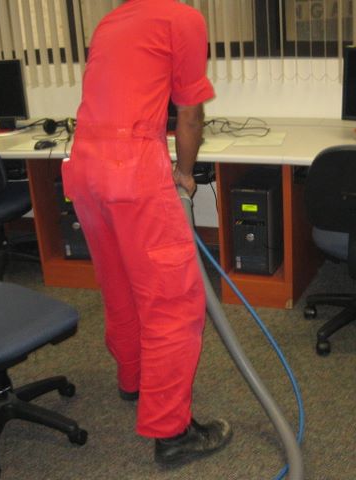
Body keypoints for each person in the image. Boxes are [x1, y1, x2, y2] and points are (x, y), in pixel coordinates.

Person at [61, 0, 232, 467]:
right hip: (131, 169)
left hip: (85, 167)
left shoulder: (112, 20)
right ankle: (172, 432)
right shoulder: (182, 18)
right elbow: (190, 115)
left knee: (120, 286)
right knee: (173, 303)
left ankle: (133, 380)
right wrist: (185, 172)